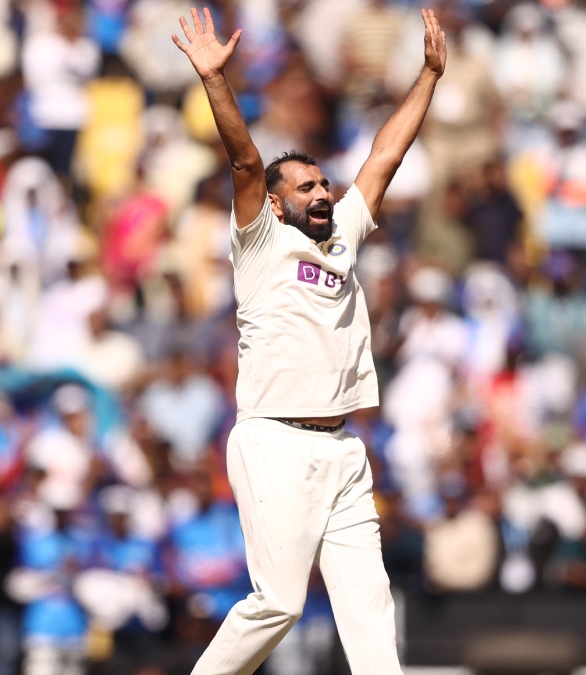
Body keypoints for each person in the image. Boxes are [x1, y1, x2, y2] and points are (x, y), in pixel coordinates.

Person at [170, 6, 447, 674]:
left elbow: (385, 156)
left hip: (341, 447)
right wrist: (215, 80)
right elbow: (245, 160)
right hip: (275, 439)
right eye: (305, 187)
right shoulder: (261, 243)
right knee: (280, 602)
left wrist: (429, 76)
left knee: (371, 614)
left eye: (323, 182)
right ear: (275, 203)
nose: (322, 192)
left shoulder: (342, 235)